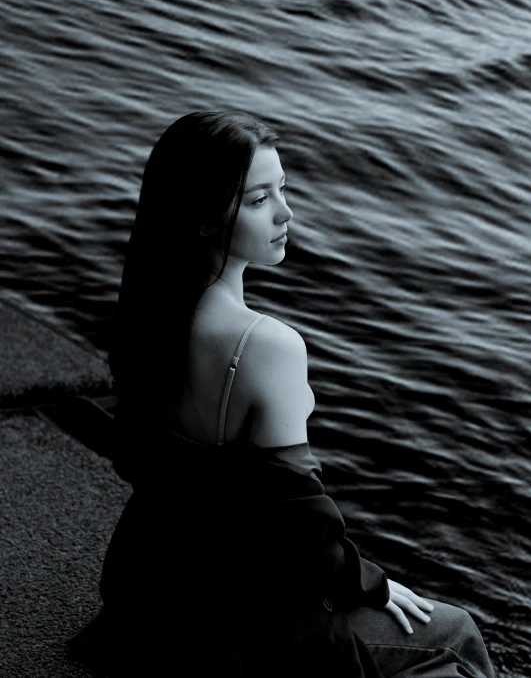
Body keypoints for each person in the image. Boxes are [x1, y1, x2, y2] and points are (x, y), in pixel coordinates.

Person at [66, 110, 496, 677]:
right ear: (203, 217)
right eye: (258, 199)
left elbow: (153, 463)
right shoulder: (268, 347)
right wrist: (371, 581)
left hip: (149, 584)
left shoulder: (145, 318)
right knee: (457, 629)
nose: (286, 212)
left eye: (283, 190)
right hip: (237, 620)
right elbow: (303, 532)